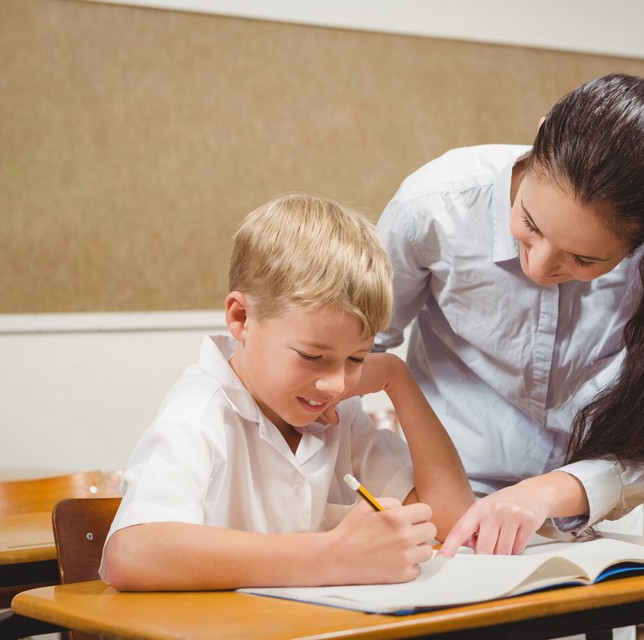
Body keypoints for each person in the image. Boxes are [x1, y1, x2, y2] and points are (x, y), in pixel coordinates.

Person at [374, 71, 644, 558]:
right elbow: (356, 347)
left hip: (592, 516)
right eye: (529, 224)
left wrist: (552, 491)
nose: (538, 267)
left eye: (584, 260)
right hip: (442, 498)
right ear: (540, 140)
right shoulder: (435, 207)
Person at [101, 193, 474, 591]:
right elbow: (130, 553)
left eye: (356, 359)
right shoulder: (199, 411)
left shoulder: (337, 415)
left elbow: (452, 519)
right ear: (241, 318)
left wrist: (398, 379)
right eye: (313, 356)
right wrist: (333, 557)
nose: (335, 384)